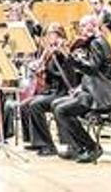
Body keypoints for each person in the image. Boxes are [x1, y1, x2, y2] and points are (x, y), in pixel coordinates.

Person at [52, 15, 111, 164]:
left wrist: (72, 57)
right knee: (56, 104)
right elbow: (92, 72)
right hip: (89, 91)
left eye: (83, 26)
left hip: (97, 96)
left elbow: (93, 69)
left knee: (61, 110)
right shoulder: (94, 42)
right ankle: (75, 147)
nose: (81, 30)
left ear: (93, 26)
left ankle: (91, 147)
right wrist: (79, 87)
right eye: (80, 27)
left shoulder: (97, 43)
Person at [14, 24, 76, 154]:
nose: (48, 38)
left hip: (62, 91)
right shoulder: (49, 51)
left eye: (52, 34)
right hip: (50, 90)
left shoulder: (63, 50)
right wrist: (39, 66)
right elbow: (43, 71)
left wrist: (60, 53)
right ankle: (35, 141)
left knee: (35, 105)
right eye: (48, 34)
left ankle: (48, 145)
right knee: (24, 105)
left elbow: (68, 71)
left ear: (60, 35)